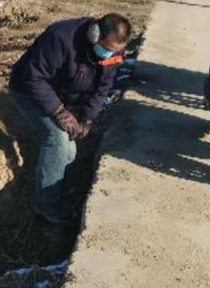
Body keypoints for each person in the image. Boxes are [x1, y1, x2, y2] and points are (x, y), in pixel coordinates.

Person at [9, 13, 132, 225]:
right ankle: (46, 206)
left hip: (64, 98)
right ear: (94, 35)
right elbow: (34, 78)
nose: (108, 55)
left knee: (68, 153)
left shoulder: (114, 52)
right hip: (29, 92)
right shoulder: (60, 38)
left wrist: (87, 119)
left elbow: (102, 89)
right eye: (106, 48)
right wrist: (59, 112)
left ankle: (46, 176)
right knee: (56, 140)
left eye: (114, 51)